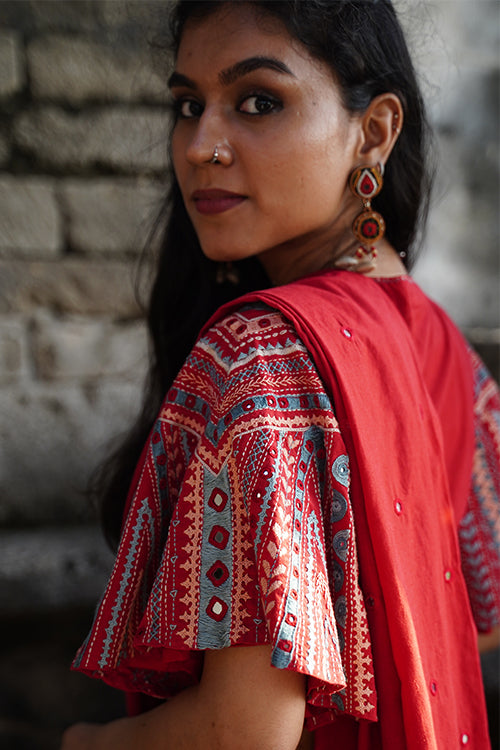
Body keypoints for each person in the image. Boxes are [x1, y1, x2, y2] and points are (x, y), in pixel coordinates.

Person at [62, 1, 500, 748]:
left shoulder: (260, 356)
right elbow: (482, 615)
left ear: (374, 131)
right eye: (188, 105)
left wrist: (85, 744)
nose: (201, 146)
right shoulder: (448, 350)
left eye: (259, 101)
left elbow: (243, 731)